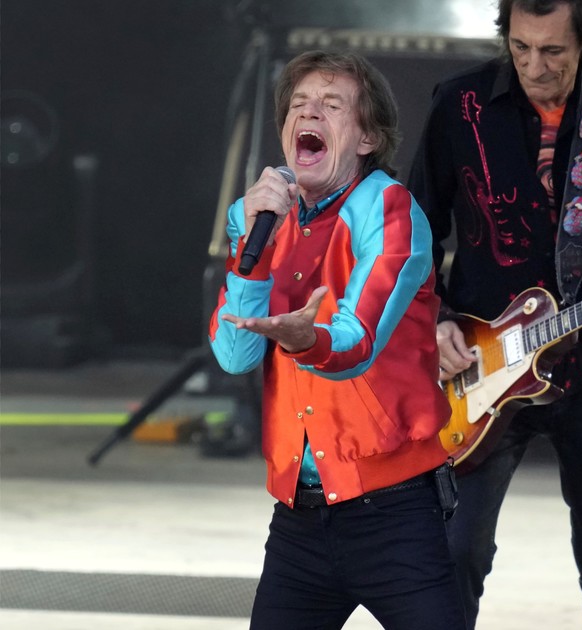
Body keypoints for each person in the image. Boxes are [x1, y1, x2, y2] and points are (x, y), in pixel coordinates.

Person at [407, 0, 582, 627]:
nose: (533, 66)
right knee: (454, 553)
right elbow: (415, 231)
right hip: (482, 363)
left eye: (553, 51)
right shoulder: (460, 103)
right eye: (520, 47)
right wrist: (435, 318)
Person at [208, 50, 465, 630]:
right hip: (298, 519)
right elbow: (234, 355)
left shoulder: (390, 211)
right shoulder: (259, 218)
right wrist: (252, 253)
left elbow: (355, 343)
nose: (309, 113)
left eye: (331, 104)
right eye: (299, 104)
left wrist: (306, 340)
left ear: (368, 137)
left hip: (394, 511)